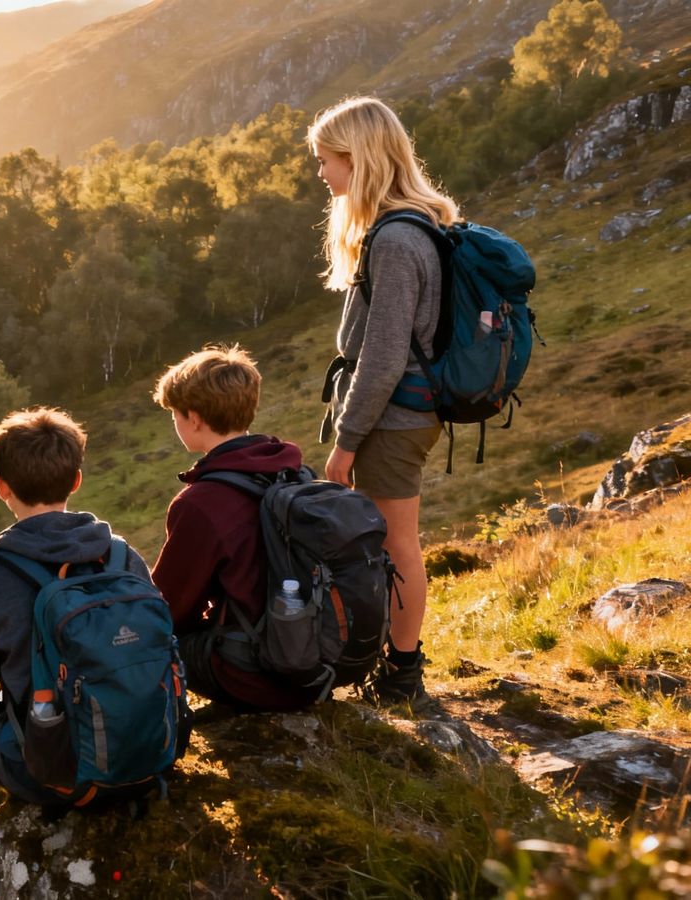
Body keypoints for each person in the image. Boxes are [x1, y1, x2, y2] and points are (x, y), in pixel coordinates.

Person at [0, 407, 154, 848]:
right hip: (146, 754)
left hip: (51, 774)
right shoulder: (121, 557)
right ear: (76, 480)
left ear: (2, 487)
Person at [308, 95, 458, 704]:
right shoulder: (413, 222)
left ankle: (401, 674)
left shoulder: (395, 240)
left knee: (396, 544)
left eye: (326, 160)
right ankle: (392, 663)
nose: (321, 174)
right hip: (401, 415)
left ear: (359, 158)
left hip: (393, 420)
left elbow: (385, 356)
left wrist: (345, 442)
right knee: (392, 542)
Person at [150, 344, 324, 713]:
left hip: (256, 675)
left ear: (193, 419)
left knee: (145, 633)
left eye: (174, 416)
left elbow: (167, 608)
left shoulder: (201, 502)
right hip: (314, 665)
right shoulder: (293, 474)